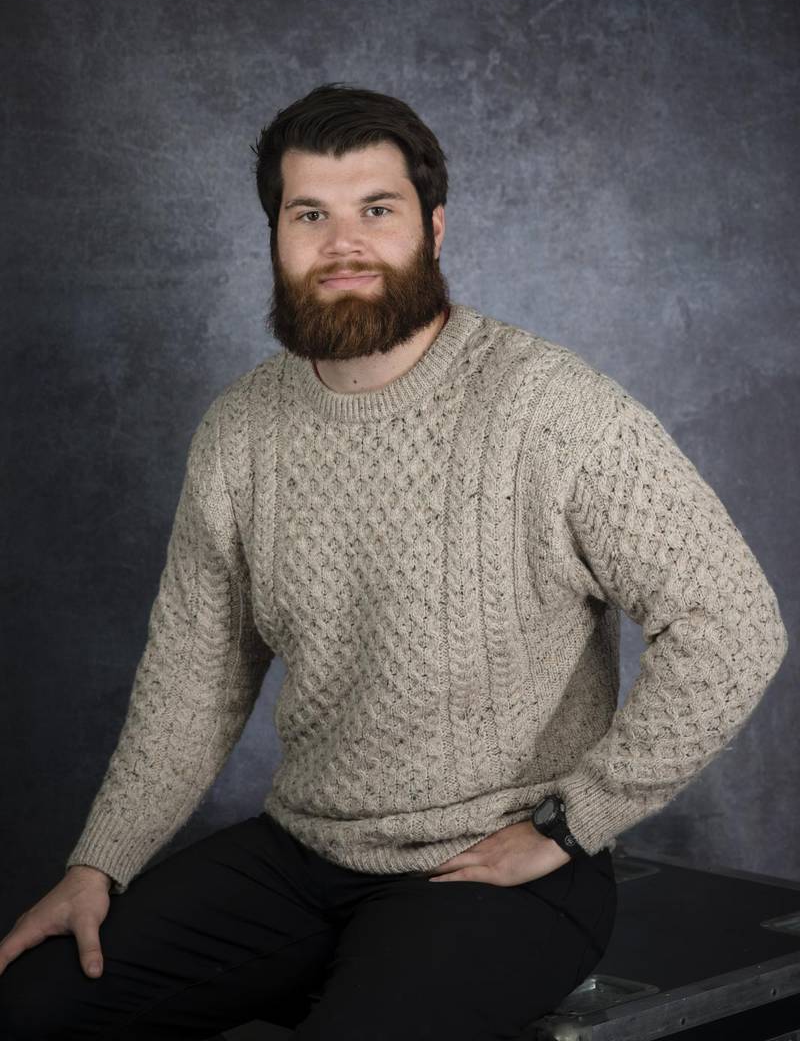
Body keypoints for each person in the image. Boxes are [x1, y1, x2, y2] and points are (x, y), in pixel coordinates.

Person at [0, 83, 788, 1040]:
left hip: (495, 872)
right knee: (30, 1004)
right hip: (302, 853)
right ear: (276, 236)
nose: (344, 244)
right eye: (310, 215)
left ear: (436, 227)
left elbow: (732, 623)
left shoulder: (552, 409)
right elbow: (193, 679)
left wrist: (572, 822)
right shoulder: (241, 430)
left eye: (377, 210)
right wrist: (100, 863)